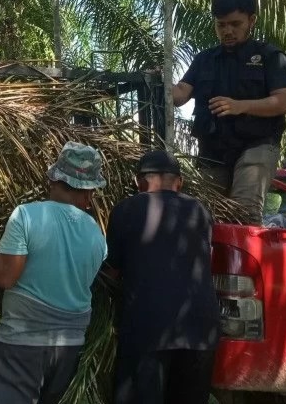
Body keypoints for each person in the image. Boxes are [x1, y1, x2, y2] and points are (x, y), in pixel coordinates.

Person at [0, 141, 107, 404]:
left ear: (53, 179)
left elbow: (4, 275)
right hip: (69, 349)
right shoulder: (97, 235)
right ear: (88, 194)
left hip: (23, 346)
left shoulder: (28, 216)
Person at [172, 0, 286, 225]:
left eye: (235, 24)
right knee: (201, 216)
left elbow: (283, 101)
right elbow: (180, 95)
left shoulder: (270, 57)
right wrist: (161, 81)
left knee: (243, 212)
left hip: (256, 145)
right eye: (221, 25)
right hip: (213, 151)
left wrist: (241, 106)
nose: (227, 30)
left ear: (252, 20)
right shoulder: (205, 59)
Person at [105, 150, 220, 404]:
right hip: (200, 329)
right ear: (179, 183)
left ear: (139, 182)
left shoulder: (126, 210)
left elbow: (111, 271)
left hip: (148, 327)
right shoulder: (201, 211)